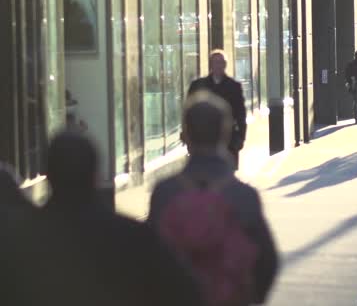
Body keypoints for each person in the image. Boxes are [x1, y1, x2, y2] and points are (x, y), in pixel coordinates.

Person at [34, 131, 203, 306]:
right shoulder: (133, 236)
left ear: (48, 175)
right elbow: (183, 290)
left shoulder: (24, 236)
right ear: (95, 176)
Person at [148, 91, 278, 305]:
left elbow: (151, 258)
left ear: (185, 136)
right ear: (225, 134)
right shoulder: (243, 195)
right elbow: (267, 261)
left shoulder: (165, 193)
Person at [188, 50, 247, 170]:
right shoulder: (198, 86)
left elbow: (241, 114)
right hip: (203, 142)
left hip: (229, 141)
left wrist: (241, 138)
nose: (218, 65)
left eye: (221, 62)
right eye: (215, 62)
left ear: (225, 65)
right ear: (210, 64)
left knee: (227, 178)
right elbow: (189, 114)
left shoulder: (234, 86)